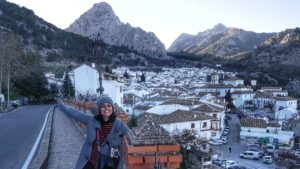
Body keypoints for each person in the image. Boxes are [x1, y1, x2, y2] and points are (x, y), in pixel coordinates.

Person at [59, 94, 129, 169]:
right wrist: (61, 105)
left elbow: (127, 139)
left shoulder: (119, 125)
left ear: (112, 108)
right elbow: (75, 113)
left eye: (109, 105)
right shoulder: (91, 120)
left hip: (106, 164)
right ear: (99, 108)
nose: (106, 108)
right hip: (90, 161)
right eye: (103, 106)